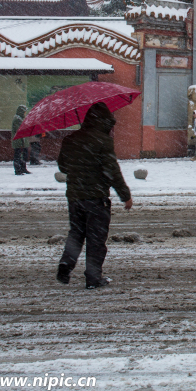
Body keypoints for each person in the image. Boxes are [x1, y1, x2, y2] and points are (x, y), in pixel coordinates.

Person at [55, 102, 132, 289]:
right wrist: (125, 195)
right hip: (96, 198)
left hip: (74, 197)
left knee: (76, 234)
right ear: (104, 122)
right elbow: (112, 170)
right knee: (96, 240)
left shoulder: (70, 139)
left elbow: (63, 167)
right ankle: (93, 278)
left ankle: (66, 263)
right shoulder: (102, 141)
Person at [11, 105, 31, 175]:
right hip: (19, 141)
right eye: (24, 112)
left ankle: (23, 168)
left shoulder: (20, 118)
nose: (25, 113)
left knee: (23, 155)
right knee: (18, 155)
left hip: (22, 141)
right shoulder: (17, 119)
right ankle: (18, 170)